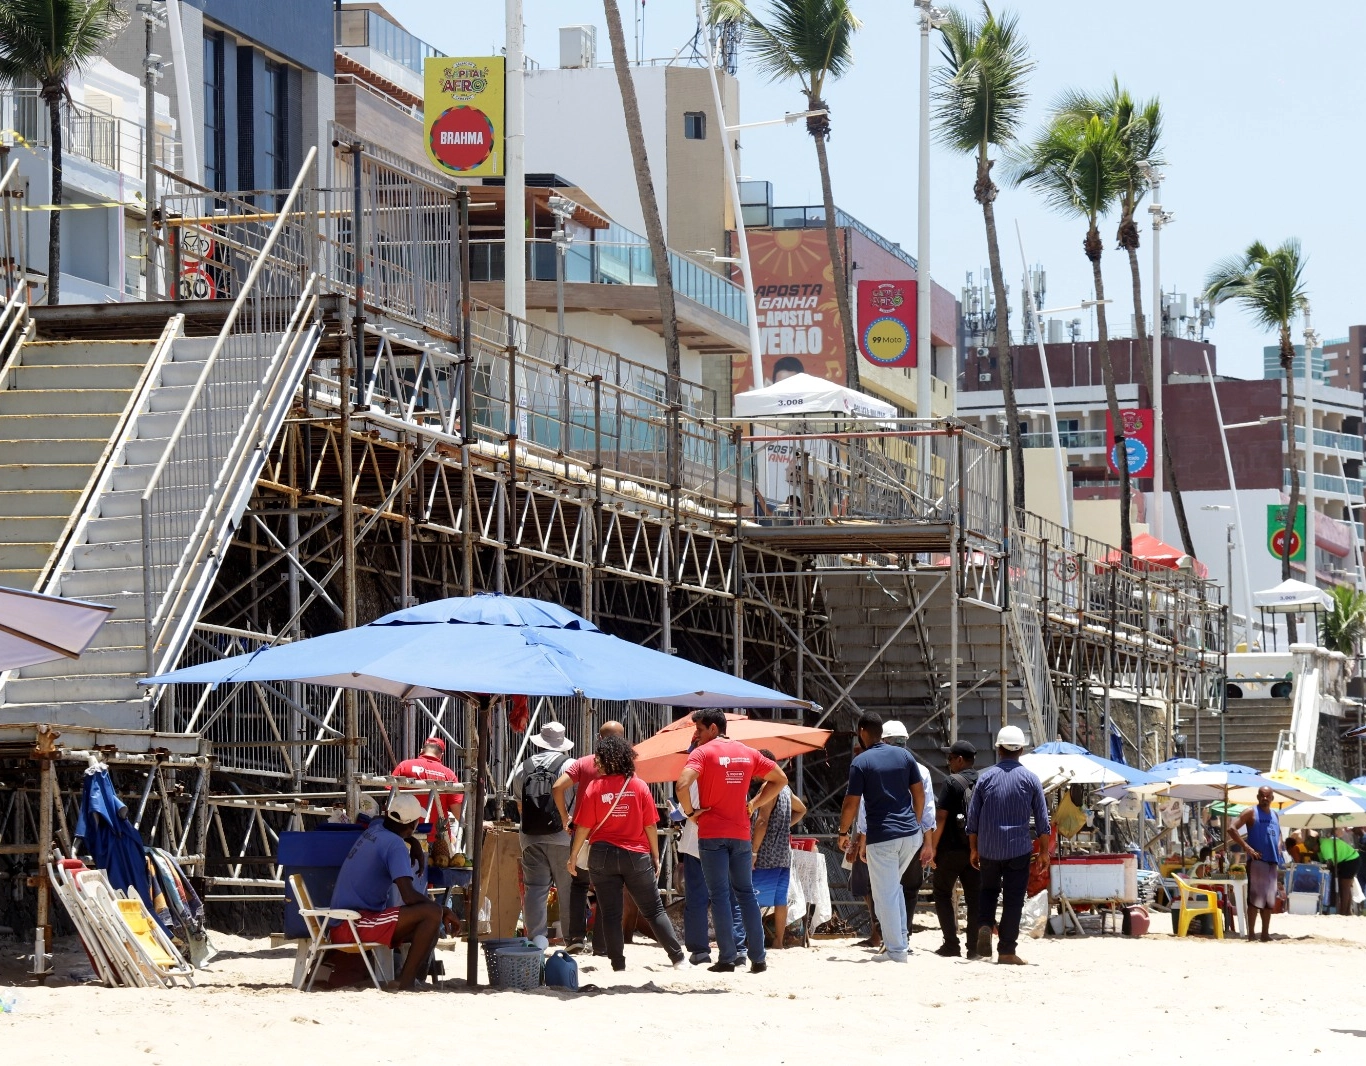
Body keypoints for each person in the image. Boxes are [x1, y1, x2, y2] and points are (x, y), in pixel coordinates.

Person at [677, 708, 788, 974]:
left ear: (713, 729)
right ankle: (758, 958)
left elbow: (682, 785)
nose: (696, 734)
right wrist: (754, 803)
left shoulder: (702, 753)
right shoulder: (748, 752)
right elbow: (780, 779)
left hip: (712, 832)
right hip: (740, 833)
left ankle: (727, 957)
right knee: (746, 894)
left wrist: (691, 813)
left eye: (700, 729)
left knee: (719, 896)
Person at [566, 735, 687, 971]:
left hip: (601, 855)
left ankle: (617, 964)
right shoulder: (638, 785)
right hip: (635, 855)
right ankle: (678, 958)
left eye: (600, 758)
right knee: (653, 909)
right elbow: (650, 825)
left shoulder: (594, 787)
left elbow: (584, 827)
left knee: (610, 912)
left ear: (610, 759)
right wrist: (654, 854)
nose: (597, 762)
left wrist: (573, 857)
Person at [329, 793, 458, 991]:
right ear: (413, 824)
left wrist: (412, 841)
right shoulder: (395, 845)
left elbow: (378, 819)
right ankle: (405, 983)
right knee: (432, 914)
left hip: (343, 920)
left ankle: (413, 979)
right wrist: (443, 909)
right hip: (353, 923)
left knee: (431, 918)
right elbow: (408, 895)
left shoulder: (377, 828)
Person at [838, 712, 930, 964]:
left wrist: (843, 832)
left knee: (884, 894)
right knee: (894, 889)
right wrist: (916, 821)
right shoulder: (904, 756)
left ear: (861, 731)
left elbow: (851, 803)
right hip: (910, 835)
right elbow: (919, 793)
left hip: (883, 837)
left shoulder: (861, 762)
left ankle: (896, 951)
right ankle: (901, 939)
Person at [966, 725, 1049, 965]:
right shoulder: (1031, 780)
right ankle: (1006, 951)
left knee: (988, 891)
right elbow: (1043, 821)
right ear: (1021, 750)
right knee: (1013, 899)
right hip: (1018, 849)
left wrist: (974, 848)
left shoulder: (984, 778)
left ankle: (984, 924)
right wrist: (1043, 852)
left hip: (989, 849)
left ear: (999, 749)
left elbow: (973, 820)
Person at [552, 720, 626, 954]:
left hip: (583, 834)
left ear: (599, 738)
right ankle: (602, 945)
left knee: (579, 884)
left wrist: (565, 817)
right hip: (614, 834)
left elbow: (557, 787)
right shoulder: (626, 766)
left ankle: (575, 937)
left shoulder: (584, 763)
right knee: (608, 886)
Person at [510, 721, 576, 946]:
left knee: (535, 889)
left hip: (530, 838)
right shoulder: (571, 766)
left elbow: (520, 807)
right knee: (567, 889)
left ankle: (537, 939)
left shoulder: (523, 768)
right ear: (563, 743)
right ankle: (571, 938)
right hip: (564, 838)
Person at [678, 765, 749, 965]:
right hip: (730, 843)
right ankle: (737, 950)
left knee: (697, 899)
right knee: (730, 898)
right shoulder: (735, 776)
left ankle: (700, 951)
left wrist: (689, 813)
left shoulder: (694, 778)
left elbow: (685, 805)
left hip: (698, 844)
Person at [749, 750, 808, 949]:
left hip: (766, 853)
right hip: (783, 853)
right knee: (779, 900)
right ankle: (778, 942)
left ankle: (753, 941)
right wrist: (783, 826)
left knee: (754, 898)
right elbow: (802, 809)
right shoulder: (785, 788)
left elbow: (762, 821)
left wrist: (754, 851)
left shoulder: (769, 787)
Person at [932, 739, 982, 959]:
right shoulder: (983, 780)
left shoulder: (952, 782)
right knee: (975, 899)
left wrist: (931, 848)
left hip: (950, 850)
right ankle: (973, 947)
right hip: (975, 849)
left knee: (942, 894)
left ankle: (951, 944)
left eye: (950, 758)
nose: (949, 762)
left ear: (960, 760)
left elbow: (941, 817)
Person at [1226, 785, 1284, 942]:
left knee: (1269, 901)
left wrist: (1279, 845)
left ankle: (1265, 934)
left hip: (1272, 861)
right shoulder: (1251, 812)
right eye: (1262, 795)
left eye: (1268, 796)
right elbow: (1231, 829)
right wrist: (1247, 848)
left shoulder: (1275, 815)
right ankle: (1251, 934)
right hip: (1257, 862)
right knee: (1254, 900)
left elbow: (1279, 834)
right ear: (1258, 797)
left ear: (1272, 798)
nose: (1265, 798)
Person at [391, 737, 461, 839]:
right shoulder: (449, 774)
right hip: (438, 839)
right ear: (441, 754)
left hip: (405, 834)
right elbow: (457, 811)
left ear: (422, 750)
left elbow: (390, 798)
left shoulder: (405, 766)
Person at [1317, 828, 1359, 917]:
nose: (1314, 850)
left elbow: (1330, 863)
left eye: (1313, 848)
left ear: (1316, 844)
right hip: (1345, 861)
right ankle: (1347, 911)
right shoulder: (1321, 846)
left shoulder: (1324, 844)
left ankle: (1343, 912)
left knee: (1345, 886)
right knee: (1345, 886)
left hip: (1350, 860)